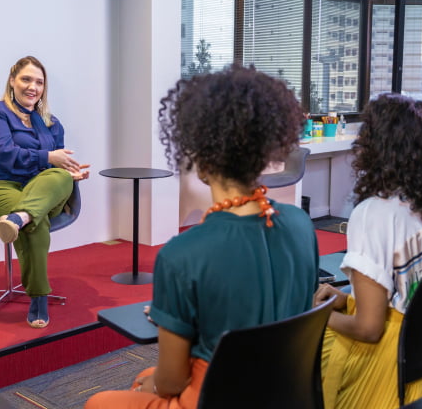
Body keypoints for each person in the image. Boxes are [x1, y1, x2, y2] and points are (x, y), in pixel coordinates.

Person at [84, 64, 319, 408]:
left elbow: (171, 380)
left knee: (99, 402)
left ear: (203, 162)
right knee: (139, 378)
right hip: (285, 391)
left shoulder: (182, 254)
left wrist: (146, 388)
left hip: (214, 398)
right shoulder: (301, 225)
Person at [313, 93, 422, 409]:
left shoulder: (374, 214)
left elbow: (368, 329)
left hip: (384, 369)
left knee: (298, 351)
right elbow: (414, 295)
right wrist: (349, 300)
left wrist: (316, 318)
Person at [0, 56, 90, 329]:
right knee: (38, 219)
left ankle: (18, 217)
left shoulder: (52, 123)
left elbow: (55, 165)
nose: (33, 87)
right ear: (12, 81)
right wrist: (48, 158)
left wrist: (70, 173)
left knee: (59, 176)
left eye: (39, 82)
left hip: (34, 188)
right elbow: (5, 155)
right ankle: (39, 297)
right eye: (26, 79)